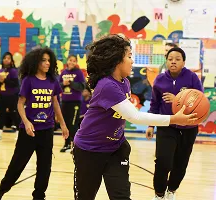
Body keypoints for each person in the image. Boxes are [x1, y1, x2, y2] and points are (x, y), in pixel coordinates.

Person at [73, 34, 198, 200]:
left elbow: (130, 112)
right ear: (117, 60)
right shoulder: (107, 85)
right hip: (89, 150)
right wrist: (174, 119)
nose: (132, 61)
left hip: (115, 148)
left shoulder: (124, 81)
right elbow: (135, 117)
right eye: (129, 56)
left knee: (122, 196)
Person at [0, 47, 69, 200]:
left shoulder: (52, 80)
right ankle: (1, 191)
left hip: (47, 130)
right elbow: (20, 104)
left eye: (48, 60)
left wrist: (63, 125)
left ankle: (39, 196)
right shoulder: (28, 80)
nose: (47, 63)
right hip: (29, 131)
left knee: (45, 167)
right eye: (43, 60)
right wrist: (26, 122)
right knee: (17, 164)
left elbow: (56, 103)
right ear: (36, 62)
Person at [146, 47, 203, 200]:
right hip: (167, 125)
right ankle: (159, 194)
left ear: (183, 62)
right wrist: (151, 125)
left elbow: (200, 99)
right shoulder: (159, 80)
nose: (173, 61)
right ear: (166, 61)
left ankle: (171, 190)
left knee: (181, 162)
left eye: (177, 59)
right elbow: (154, 104)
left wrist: (178, 98)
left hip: (189, 127)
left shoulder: (192, 78)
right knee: (163, 160)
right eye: (170, 59)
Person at [59, 54, 85, 153]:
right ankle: (66, 144)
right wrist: (63, 84)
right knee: (65, 124)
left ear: (76, 63)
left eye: (74, 61)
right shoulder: (63, 72)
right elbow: (57, 86)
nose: (72, 62)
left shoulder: (79, 73)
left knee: (73, 124)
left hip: (75, 102)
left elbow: (82, 87)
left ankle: (74, 145)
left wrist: (71, 83)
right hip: (65, 101)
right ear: (67, 61)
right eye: (70, 60)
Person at [0, 52, 20, 141]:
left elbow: (15, 84)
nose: (6, 60)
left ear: (11, 60)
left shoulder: (14, 71)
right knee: (2, 114)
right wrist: (0, 81)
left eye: (8, 58)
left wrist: (5, 80)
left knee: (15, 114)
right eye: (4, 58)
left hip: (12, 96)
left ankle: (19, 133)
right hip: (2, 96)